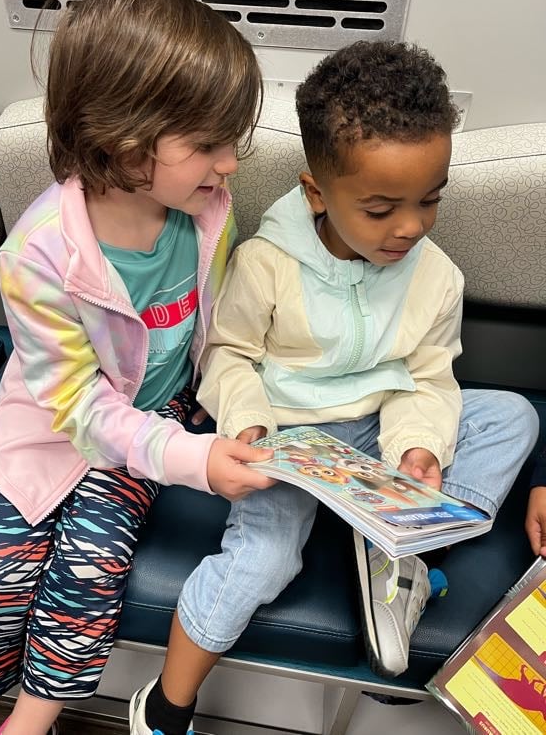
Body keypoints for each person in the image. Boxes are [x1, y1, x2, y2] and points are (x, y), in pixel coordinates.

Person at [128, 40, 541, 735]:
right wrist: (252, 428)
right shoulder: (267, 263)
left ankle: (404, 548)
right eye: (381, 209)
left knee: (511, 417)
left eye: (428, 201)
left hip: (377, 434)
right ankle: (166, 707)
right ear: (317, 191)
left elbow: (427, 378)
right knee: (263, 559)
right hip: (289, 438)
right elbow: (228, 359)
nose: (410, 226)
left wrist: (419, 450)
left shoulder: (436, 276)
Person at [0, 0, 276, 735]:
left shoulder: (207, 213)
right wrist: (194, 462)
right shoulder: (38, 253)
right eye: (209, 144)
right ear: (124, 144)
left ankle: (29, 724)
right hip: (54, 425)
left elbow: (219, 332)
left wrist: (228, 421)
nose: (229, 164)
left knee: (87, 576)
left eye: (232, 142)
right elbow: (78, 406)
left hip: (151, 428)